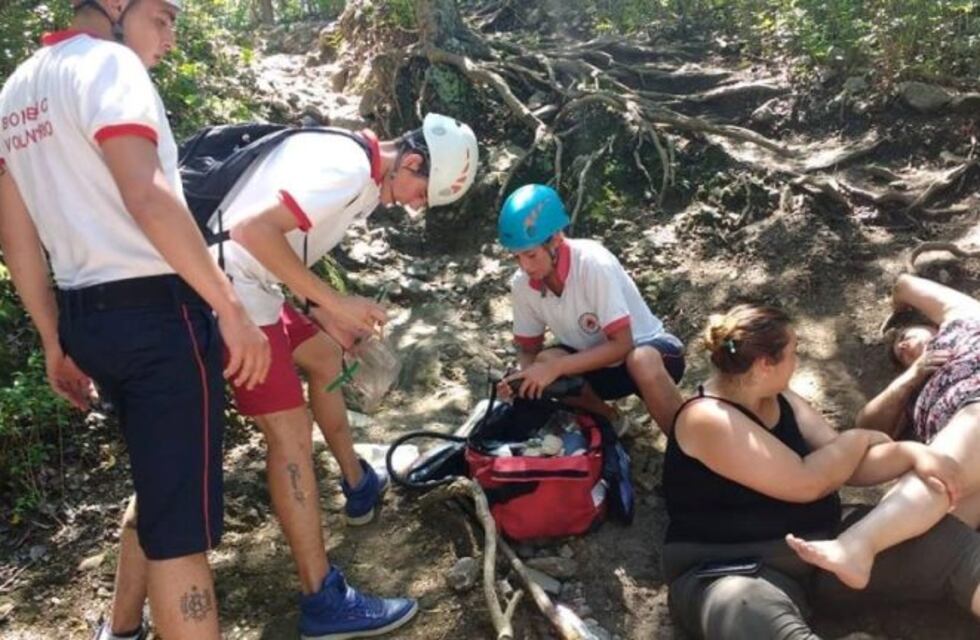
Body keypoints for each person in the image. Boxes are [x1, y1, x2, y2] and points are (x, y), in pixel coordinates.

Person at [0, 1, 270, 639]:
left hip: (87, 319)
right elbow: (145, 193)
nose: (169, 37)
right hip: (158, 317)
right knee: (180, 538)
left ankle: (121, 629)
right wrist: (229, 306)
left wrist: (53, 340)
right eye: (162, 17)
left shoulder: (15, 93)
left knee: (159, 481)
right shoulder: (109, 66)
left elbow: (17, 238)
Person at [201, 113, 479, 639]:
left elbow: (278, 238)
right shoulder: (348, 168)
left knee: (325, 355)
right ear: (411, 162)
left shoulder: (361, 173)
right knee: (290, 437)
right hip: (229, 294)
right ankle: (322, 599)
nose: (414, 206)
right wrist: (335, 300)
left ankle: (357, 482)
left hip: (250, 282)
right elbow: (251, 231)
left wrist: (320, 311)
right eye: (422, 194)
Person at [663, 303, 980, 640]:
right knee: (745, 607)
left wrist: (912, 455)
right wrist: (858, 438)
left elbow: (846, 464)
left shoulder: (780, 395)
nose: (797, 361)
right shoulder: (706, 419)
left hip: (823, 548)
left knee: (945, 543)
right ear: (765, 364)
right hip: (734, 568)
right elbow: (807, 481)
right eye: (793, 353)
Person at [786, 273, 980, 590]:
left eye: (905, 334)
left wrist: (897, 307)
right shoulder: (914, 392)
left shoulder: (966, 319)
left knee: (940, 471)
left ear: (931, 324)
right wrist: (911, 377)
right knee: (937, 539)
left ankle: (858, 543)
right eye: (898, 353)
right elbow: (868, 427)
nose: (901, 345)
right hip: (972, 465)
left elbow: (904, 284)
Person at [495, 184, 685, 435]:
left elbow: (623, 344)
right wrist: (523, 380)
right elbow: (529, 350)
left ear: (556, 239)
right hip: (594, 367)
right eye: (517, 257)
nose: (525, 266)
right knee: (545, 361)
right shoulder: (522, 284)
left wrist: (555, 369)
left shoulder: (592, 263)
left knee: (641, 361)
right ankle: (612, 421)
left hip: (649, 352)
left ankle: (687, 444)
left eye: (531, 255)